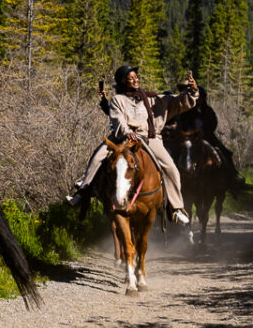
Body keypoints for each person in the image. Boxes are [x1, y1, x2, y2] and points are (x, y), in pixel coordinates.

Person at [67, 65, 197, 223]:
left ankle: (176, 208)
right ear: (123, 81)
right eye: (131, 78)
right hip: (123, 137)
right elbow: (117, 119)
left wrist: (191, 91)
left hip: (150, 137)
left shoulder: (153, 99)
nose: (136, 80)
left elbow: (179, 102)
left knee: (171, 168)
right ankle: (82, 193)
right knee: (97, 157)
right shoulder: (117, 100)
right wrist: (127, 131)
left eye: (136, 77)